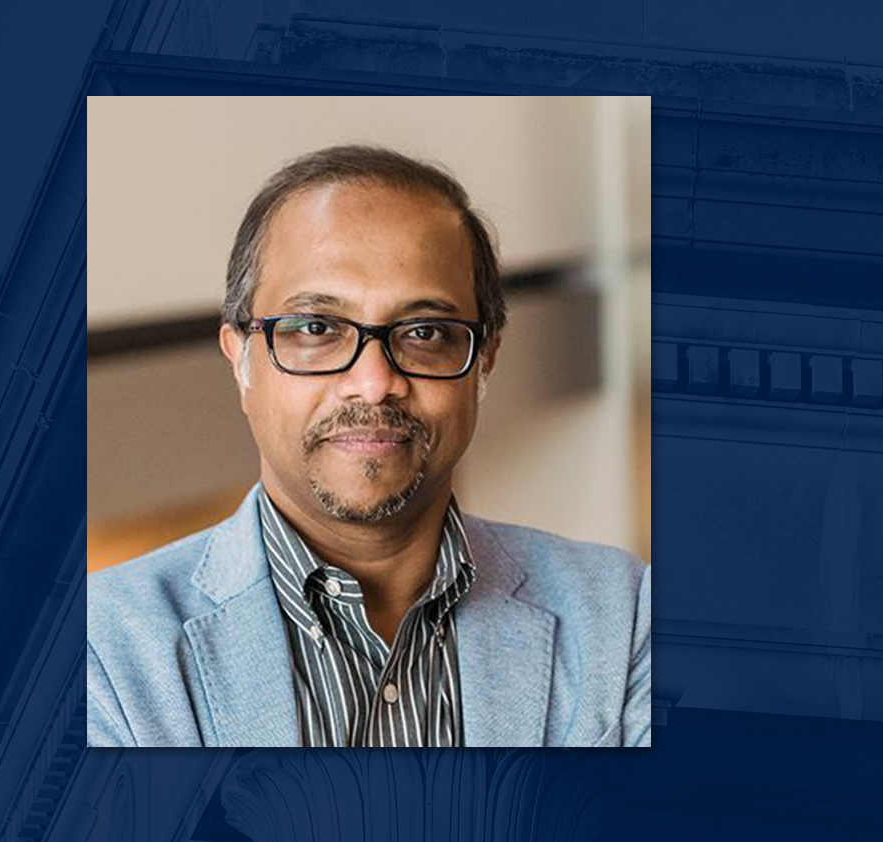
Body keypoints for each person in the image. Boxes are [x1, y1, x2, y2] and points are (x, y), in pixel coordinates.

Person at [88, 145, 650, 748]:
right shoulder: (98, 649)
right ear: (240, 359)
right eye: (316, 329)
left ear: (484, 360)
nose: (375, 381)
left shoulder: (625, 619)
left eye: (425, 332)